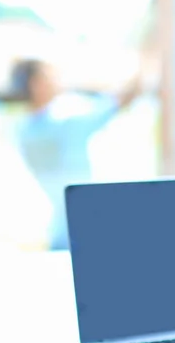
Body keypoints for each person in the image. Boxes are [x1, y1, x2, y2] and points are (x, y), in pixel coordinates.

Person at [10, 59, 140, 250]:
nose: (55, 81)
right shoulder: (62, 126)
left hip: (62, 231)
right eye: (48, 76)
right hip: (80, 231)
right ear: (35, 84)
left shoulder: (23, 131)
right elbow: (119, 102)